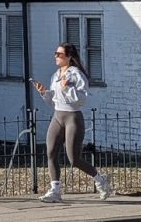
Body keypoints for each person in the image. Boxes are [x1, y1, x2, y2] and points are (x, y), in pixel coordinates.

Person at [32, 43, 113, 203]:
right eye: (55, 53)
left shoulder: (76, 74)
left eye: (59, 54)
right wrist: (44, 92)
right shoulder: (56, 75)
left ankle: (100, 179)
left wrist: (67, 88)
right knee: (51, 153)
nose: (56, 56)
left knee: (74, 159)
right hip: (58, 115)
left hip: (72, 117)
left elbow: (82, 99)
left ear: (69, 56)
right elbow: (54, 100)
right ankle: (55, 191)